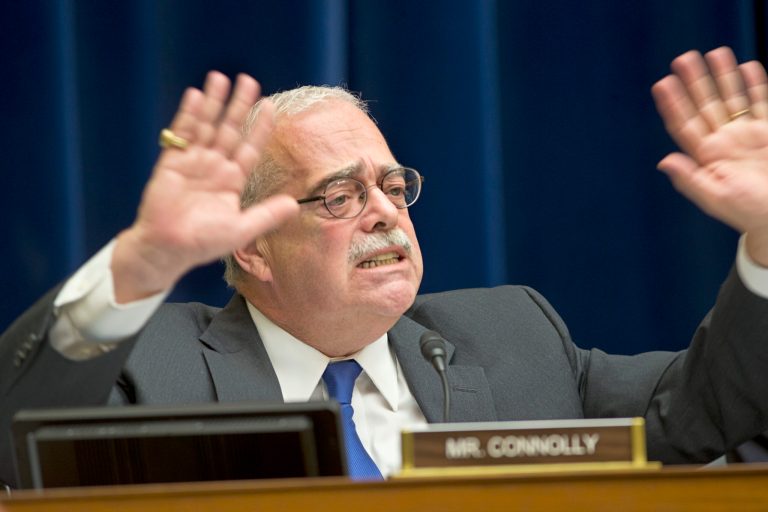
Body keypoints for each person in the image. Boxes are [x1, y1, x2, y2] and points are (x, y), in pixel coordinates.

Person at [2, 46, 768, 486]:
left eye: (394, 186)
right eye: (339, 194)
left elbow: (701, 412)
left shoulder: (514, 338)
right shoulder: (153, 368)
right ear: (251, 244)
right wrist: (141, 263)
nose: (385, 211)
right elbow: (14, 441)